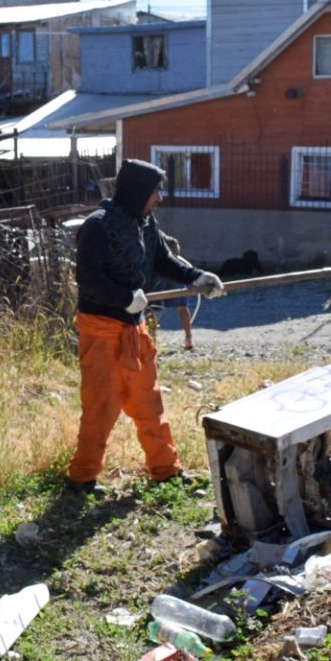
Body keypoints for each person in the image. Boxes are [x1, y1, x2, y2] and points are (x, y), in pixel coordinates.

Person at [68, 160, 223, 495]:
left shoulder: (145, 223)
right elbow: (88, 278)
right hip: (101, 330)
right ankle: (82, 478)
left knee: (148, 403)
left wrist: (196, 276)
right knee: (100, 407)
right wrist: (124, 298)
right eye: (156, 190)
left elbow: (163, 259)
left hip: (134, 328)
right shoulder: (97, 226)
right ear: (138, 191)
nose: (161, 198)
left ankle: (165, 471)